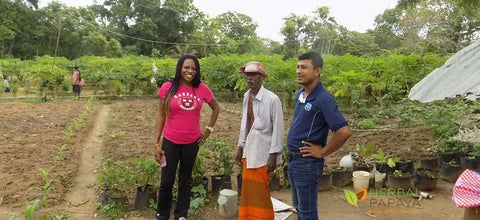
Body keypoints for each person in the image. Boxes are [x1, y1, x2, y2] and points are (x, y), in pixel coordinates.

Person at [154, 54, 220, 220]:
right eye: (186, 67)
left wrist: (207, 132)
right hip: (170, 142)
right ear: (180, 69)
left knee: (185, 180)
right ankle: (162, 214)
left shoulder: (202, 88)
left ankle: (181, 215)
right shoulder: (168, 87)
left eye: (193, 69)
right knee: (166, 181)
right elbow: (161, 116)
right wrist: (156, 143)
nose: (190, 71)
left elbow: (216, 108)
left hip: (192, 143)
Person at [287, 51, 351, 219]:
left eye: (304, 67)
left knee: (307, 213)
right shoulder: (300, 95)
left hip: (306, 164)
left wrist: (322, 152)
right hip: (294, 161)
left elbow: (343, 131)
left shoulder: (323, 99)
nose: (298, 71)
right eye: (298, 67)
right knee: (298, 208)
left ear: (317, 71)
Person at [235, 61, 284, 220]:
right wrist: (240, 146)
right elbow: (245, 123)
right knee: (248, 191)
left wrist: (273, 155)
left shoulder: (272, 99)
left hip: (263, 153)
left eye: (253, 75)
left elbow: (278, 128)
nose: (249, 79)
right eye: (247, 75)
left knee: (261, 192)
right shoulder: (246, 96)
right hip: (249, 151)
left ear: (261, 77)